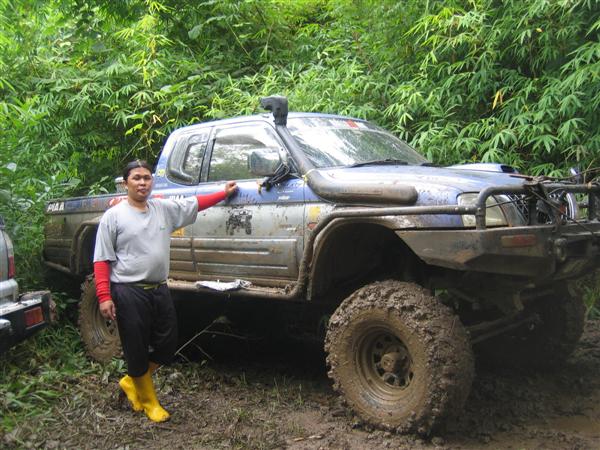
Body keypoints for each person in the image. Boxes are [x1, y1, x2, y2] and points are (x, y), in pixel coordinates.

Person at [93, 159, 237, 422]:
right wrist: (104, 296)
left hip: (159, 288)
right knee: (136, 346)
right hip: (128, 290)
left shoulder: (162, 209)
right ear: (125, 183)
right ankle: (150, 402)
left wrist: (222, 193)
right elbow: (102, 259)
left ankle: (131, 382)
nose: (142, 183)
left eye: (147, 177)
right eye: (136, 178)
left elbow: (194, 204)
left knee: (167, 343)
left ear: (152, 181)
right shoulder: (113, 216)